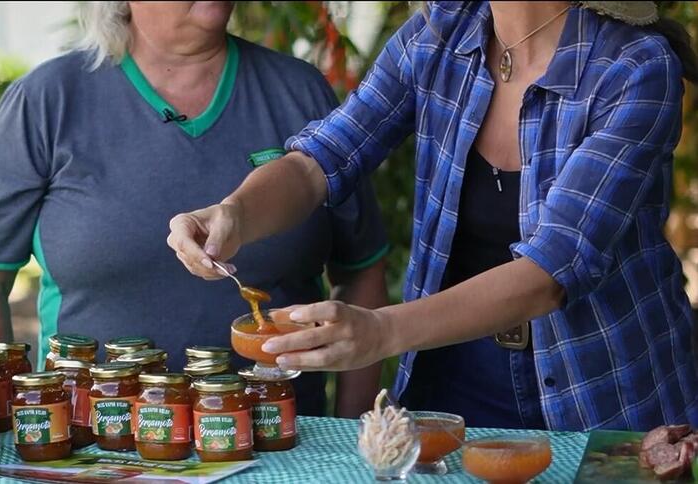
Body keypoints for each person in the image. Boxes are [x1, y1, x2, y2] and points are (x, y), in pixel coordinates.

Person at [168, 1, 698, 431]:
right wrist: (233, 213)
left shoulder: (635, 68)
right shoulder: (439, 35)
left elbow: (554, 269)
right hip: (448, 381)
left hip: (604, 393)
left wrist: (379, 332)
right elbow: (320, 161)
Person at [0, 1, 389, 418]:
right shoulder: (46, 101)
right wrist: (3, 419)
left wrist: (354, 430)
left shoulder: (299, 91)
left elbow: (363, 269)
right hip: (93, 442)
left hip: (286, 440)